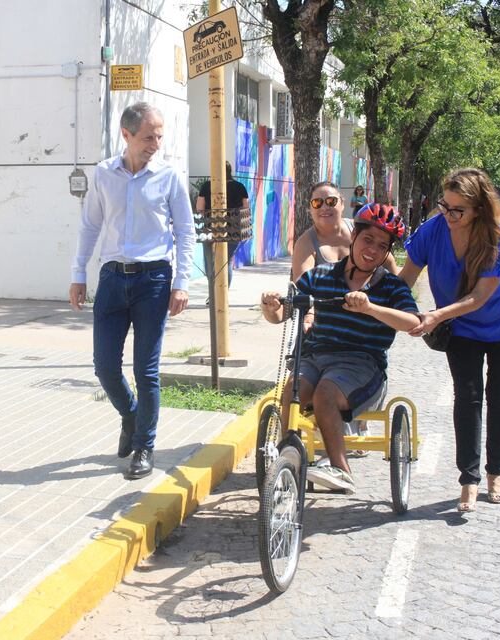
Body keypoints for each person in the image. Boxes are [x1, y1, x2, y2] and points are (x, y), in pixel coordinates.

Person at [69, 102, 195, 480]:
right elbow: (90, 226)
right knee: (104, 365)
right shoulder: (104, 173)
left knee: (146, 368)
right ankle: (130, 415)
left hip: (153, 280)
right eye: (148, 137)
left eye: (159, 136)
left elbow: (185, 231)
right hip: (111, 278)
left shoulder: (169, 177)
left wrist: (182, 282)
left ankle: (144, 446)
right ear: (126, 135)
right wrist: (78, 273)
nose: (155, 143)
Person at [399, 168, 500, 512]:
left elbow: (479, 297)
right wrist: (373, 302)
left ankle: (496, 473)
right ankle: (469, 480)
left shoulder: (497, 237)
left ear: (479, 210)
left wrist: (436, 315)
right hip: (461, 327)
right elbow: (405, 280)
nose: (448, 215)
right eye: (444, 205)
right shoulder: (433, 230)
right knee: (468, 396)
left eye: (457, 210)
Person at [260, 204, 419, 493]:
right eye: (367, 240)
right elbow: (283, 313)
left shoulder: (392, 287)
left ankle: (341, 470)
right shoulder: (320, 276)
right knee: (291, 390)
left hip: (362, 365)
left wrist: (371, 308)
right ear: (354, 236)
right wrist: (270, 307)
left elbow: (412, 323)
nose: (372, 250)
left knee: (325, 394)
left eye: (382, 246)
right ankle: (288, 459)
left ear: (387, 253)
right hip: (316, 357)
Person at [290, 182, 398, 455]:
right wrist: (308, 314)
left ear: (342, 202)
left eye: (330, 201)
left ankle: (354, 419)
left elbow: (390, 270)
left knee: (354, 363)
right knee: (299, 384)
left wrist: (387, 302)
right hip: (325, 321)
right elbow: (301, 285)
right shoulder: (306, 242)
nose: (324, 208)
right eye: (317, 203)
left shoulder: (362, 232)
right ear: (309, 208)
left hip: (362, 325)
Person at [197, 161, 249, 291]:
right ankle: (223, 294)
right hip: (234, 230)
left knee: (211, 263)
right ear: (230, 171)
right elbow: (246, 208)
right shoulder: (240, 186)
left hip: (210, 229)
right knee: (226, 263)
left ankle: (213, 294)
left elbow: (199, 208)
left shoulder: (206, 186)